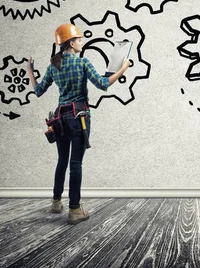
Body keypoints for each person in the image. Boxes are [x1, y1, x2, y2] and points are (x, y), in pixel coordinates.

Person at [26, 23, 130, 225]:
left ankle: (56, 202)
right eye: (79, 40)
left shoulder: (53, 67)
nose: (82, 42)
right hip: (79, 117)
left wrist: (30, 71)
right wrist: (123, 68)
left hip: (59, 119)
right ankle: (74, 209)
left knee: (62, 161)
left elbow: (38, 91)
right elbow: (103, 84)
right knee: (76, 163)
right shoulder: (83, 63)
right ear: (71, 43)